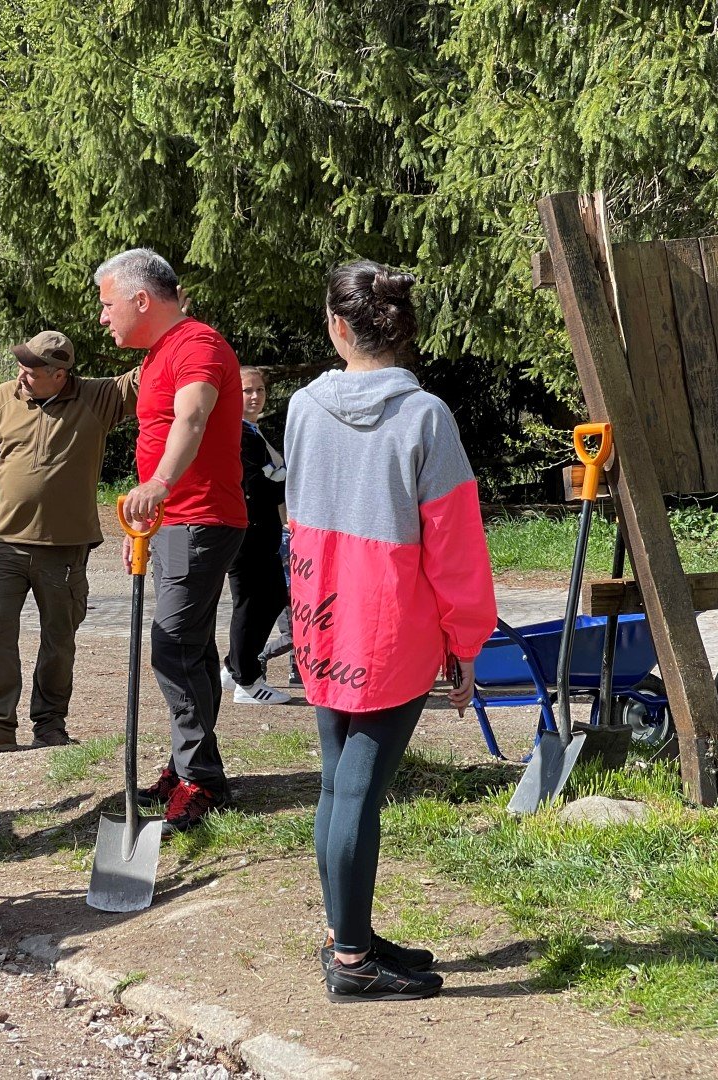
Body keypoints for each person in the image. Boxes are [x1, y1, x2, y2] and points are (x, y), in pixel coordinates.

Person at [284, 261, 496, 1002]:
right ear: (403, 333)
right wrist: (464, 642)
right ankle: (350, 960)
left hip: (320, 619)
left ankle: (353, 933)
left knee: (338, 786)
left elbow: (296, 520)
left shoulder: (303, 407)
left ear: (339, 328)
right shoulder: (426, 418)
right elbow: (456, 544)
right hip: (391, 632)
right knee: (358, 795)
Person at [94, 248, 247, 834]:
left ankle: (200, 778)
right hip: (174, 522)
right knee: (193, 648)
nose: (103, 318)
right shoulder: (160, 353)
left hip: (199, 516)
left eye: (108, 305)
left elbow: (192, 418)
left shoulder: (197, 346)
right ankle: (192, 765)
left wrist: (158, 483)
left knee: (173, 643)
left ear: (141, 300)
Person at [0, 330, 140, 752]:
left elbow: (149, 375)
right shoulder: (4, 396)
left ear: (59, 374)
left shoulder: (97, 398)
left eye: (31, 370)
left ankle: (50, 725)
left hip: (65, 549)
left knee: (58, 640)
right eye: (20, 365)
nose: (21, 374)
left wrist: (171, 324)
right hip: (8, 543)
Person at [220, 366, 292, 706]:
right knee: (252, 604)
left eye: (260, 390)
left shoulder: (252, 431)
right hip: (246, 533)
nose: (254, 396)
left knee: (272, 598)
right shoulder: (234, 434)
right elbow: (257, 485)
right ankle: (246, 680)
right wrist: (276, 477)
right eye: (247, 390)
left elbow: (274, 483)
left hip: (265, 533)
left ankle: (233, 666)